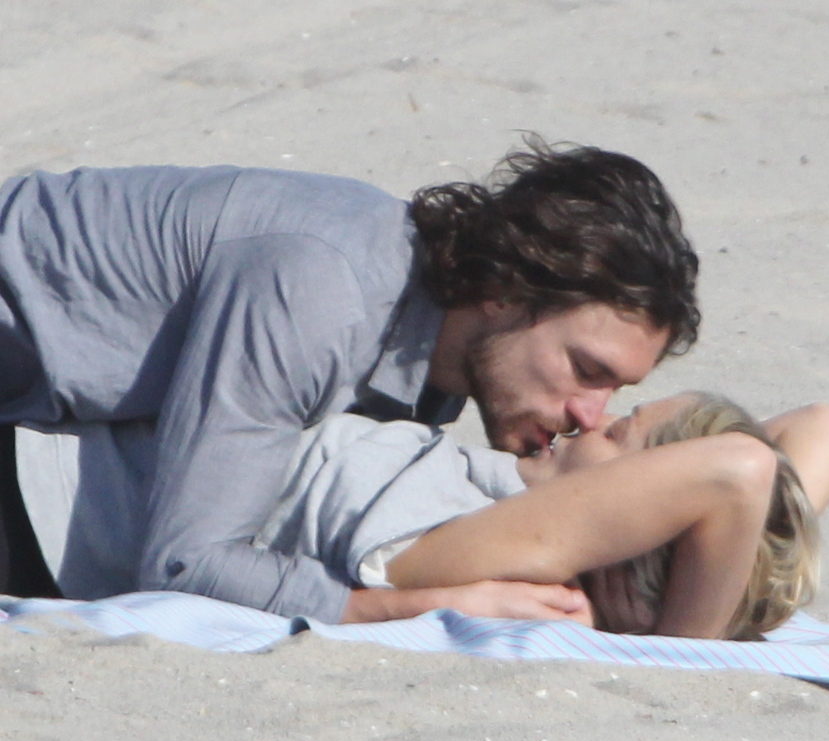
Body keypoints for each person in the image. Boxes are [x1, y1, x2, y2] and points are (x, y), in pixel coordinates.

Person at [0, 139, 700, 615]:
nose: (590, 411)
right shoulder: (324, 295)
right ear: (506, 290)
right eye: (586, 369)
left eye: (615, 391)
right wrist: (402, 607)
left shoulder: (438, 361)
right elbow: (185, 563)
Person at [15, 393, 829, 637]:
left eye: (621, 432)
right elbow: (828, 425)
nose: (593, 415)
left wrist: (685, 644)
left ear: (628, 514)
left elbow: (739, 472)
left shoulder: (489, 533)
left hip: (33, 517)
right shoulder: (521, 527)